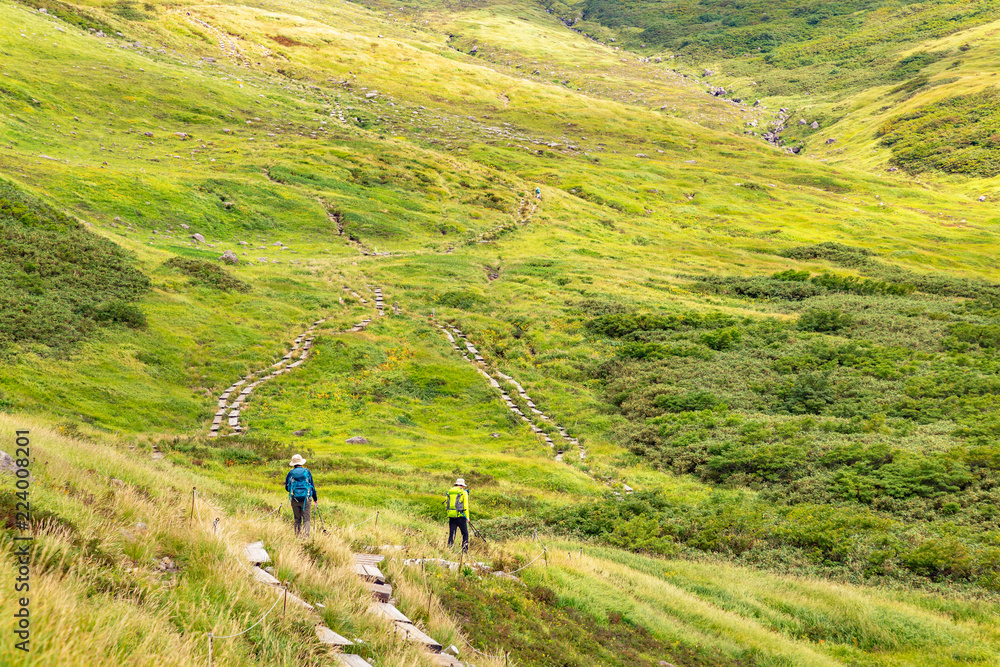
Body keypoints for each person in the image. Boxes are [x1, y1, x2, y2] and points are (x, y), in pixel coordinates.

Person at [285, 454, 318, 537]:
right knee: (306, 519)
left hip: (295, 499)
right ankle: (306, 537)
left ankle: (297, 536)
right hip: (306, 499)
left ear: (293, 464)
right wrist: (315, 498)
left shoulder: (290, 473)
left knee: (297, 519)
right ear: (301, 463)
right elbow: (312, 486)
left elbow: (287, 488)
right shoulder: (307, 472)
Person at [445, 478, 470, 552]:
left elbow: (446, 503)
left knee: (452, 533)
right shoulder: (463, 492)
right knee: (465, 533)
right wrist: (467, 517)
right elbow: (465, 506)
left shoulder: (450, 491)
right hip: (461, 516)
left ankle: (449, 549)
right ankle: (465, 550)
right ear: (462, 485)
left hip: (451, 515)